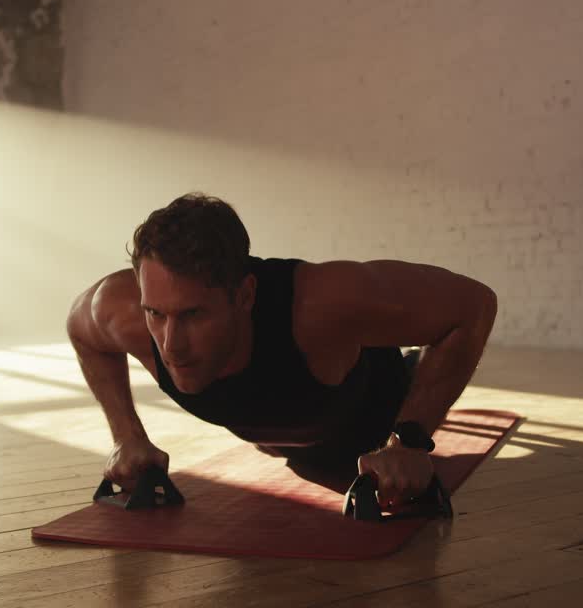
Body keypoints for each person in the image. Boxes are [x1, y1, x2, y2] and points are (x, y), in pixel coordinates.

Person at [65, 193, 498, 510]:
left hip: (369, 412)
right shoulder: (118, 309)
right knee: (293, 452)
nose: (171, 345)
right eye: (155, 314)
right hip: (287, 439)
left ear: (246, 295)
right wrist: (127, 436)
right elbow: (82, 332)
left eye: (195, 315)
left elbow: (472, 305)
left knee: (405, 369)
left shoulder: (319, 305)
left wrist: (410, 442)